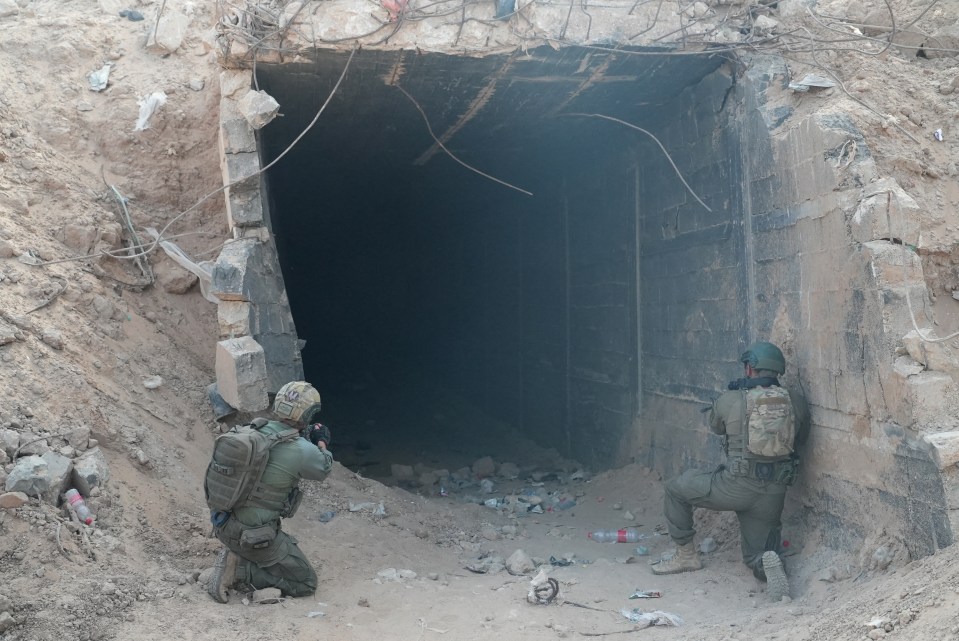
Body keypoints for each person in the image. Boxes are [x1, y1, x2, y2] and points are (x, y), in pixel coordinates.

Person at [651, 341, 810, 602]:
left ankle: (686, 556)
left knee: (676, 488)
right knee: (755, 555)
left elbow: (716, 427)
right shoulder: (796, 401)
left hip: (734, 486)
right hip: (774, 493)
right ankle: (767, 564)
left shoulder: (731, 399)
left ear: (749, 369)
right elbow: (801, 438)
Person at [207, 381, 334, 603]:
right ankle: (237, 569)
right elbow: (323, 468)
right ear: (307, 415)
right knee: (306, 583)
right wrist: (321, 441)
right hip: (252, 536)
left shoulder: (250, 430)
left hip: (222, 523)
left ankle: (239, 555)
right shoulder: (302, 450)